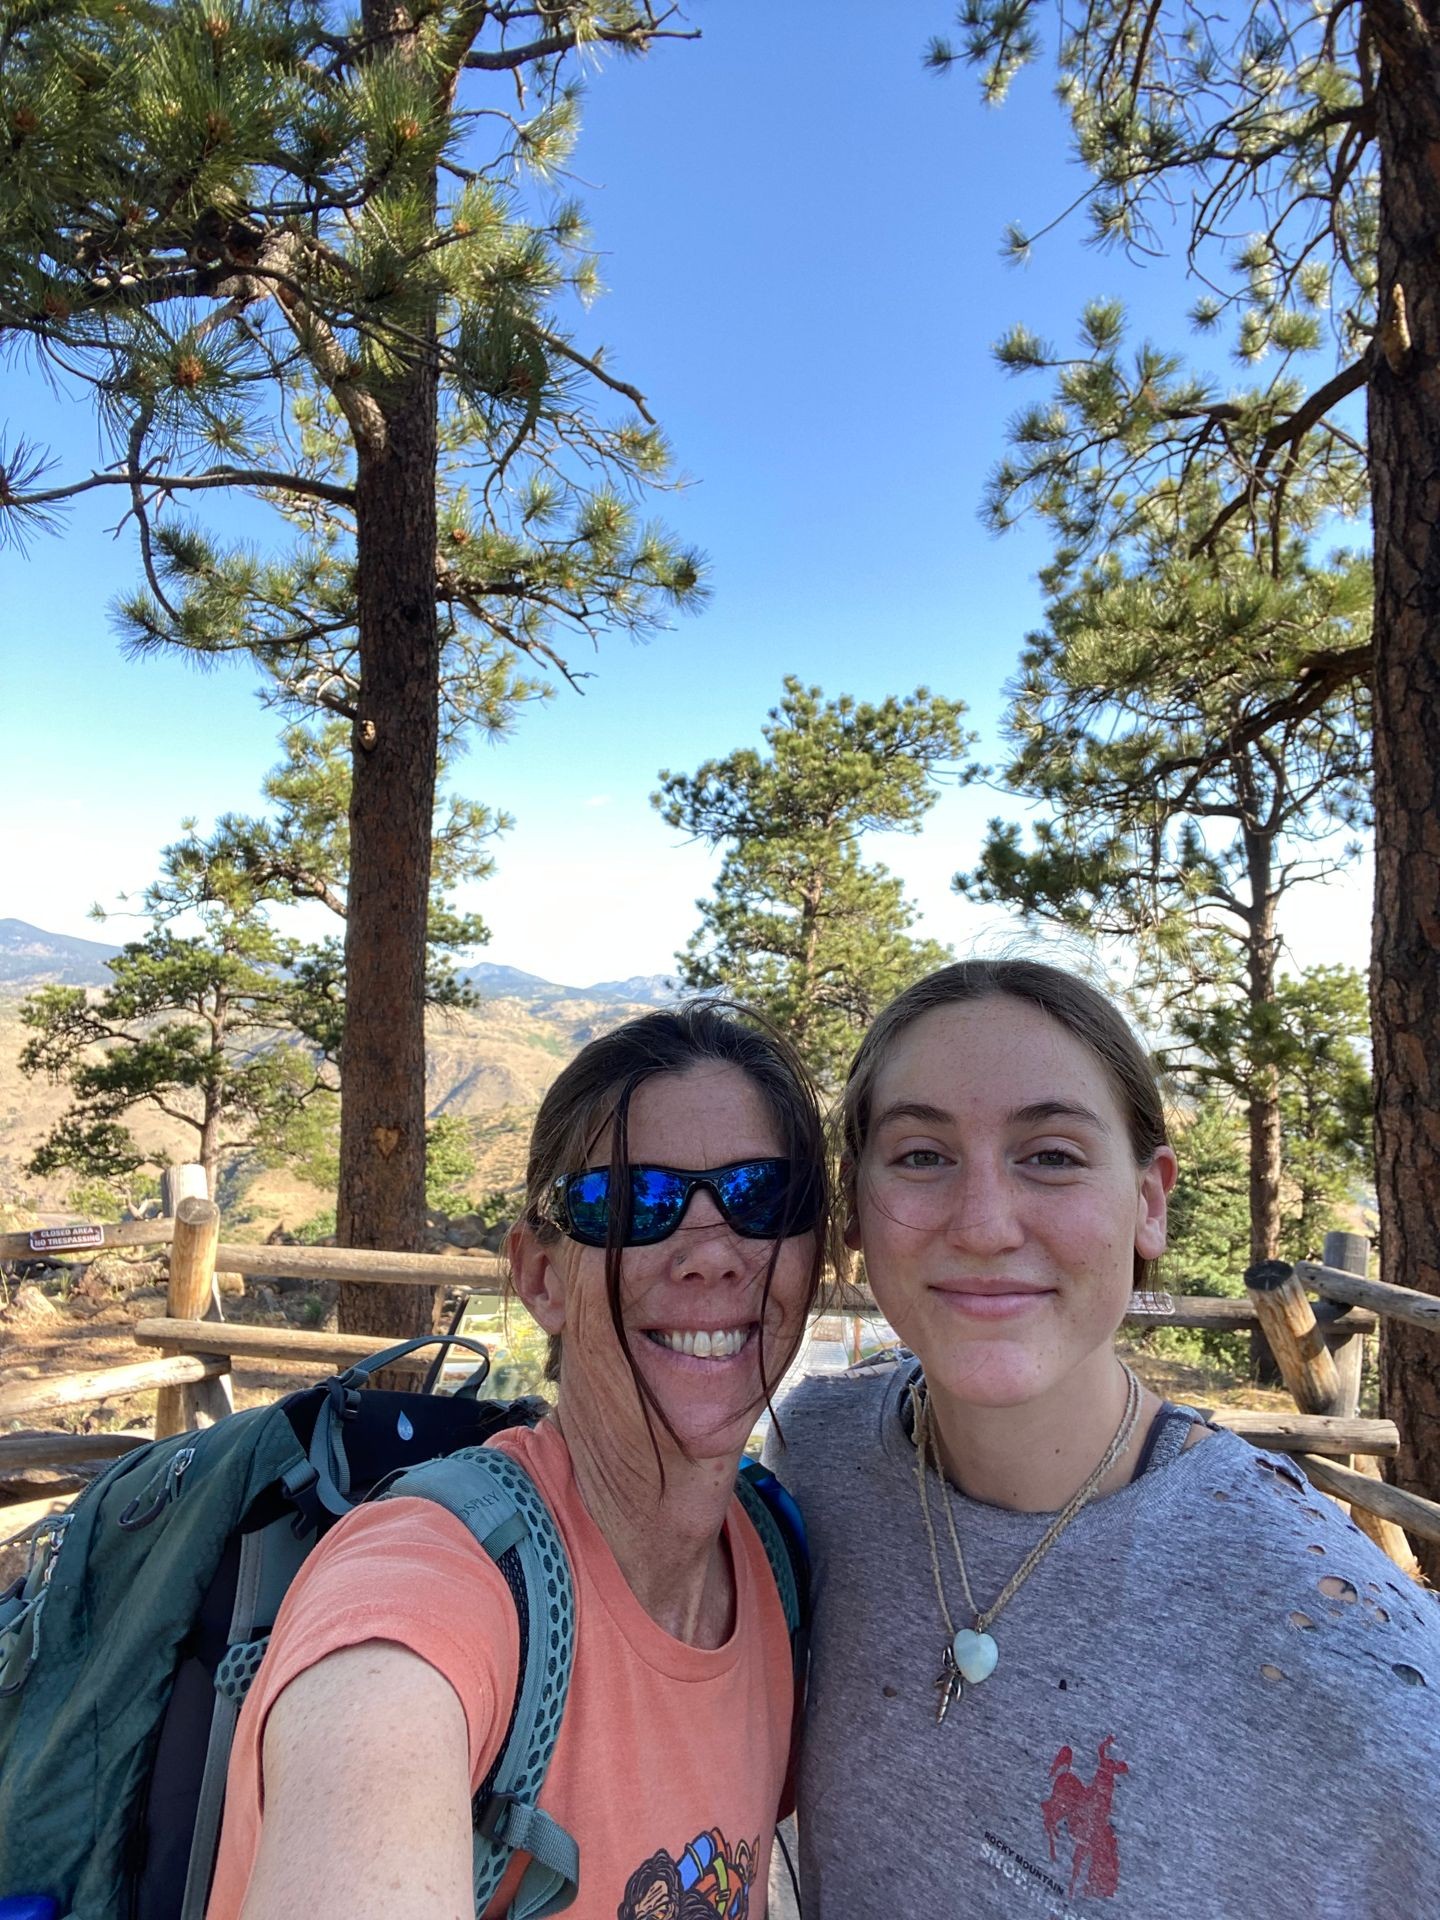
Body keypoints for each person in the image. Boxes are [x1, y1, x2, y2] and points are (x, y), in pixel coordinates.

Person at [768, 958, 1440, 1918]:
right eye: (921, 1154)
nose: (986, 1223)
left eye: (1051, 1155)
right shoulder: (817, 1455)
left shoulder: (1350, 1663)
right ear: (858, 1204)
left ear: (1150, 1202)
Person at [208, 1002, 831, 1920]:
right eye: (634, 1204)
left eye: (761, 1198)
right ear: (541, 1278)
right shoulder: (421, 1597)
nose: (712, 1255)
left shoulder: (775, 1567)